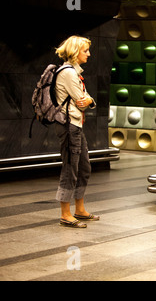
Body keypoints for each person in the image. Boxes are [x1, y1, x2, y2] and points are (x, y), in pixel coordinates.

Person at [54, 35, 99, 228]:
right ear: (75, 52)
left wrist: (89, 100)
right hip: (69, 125)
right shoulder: (68, 73)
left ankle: (79, 209)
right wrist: (88, 100)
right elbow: (82, 99)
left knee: (83, 167)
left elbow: (87, 99)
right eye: (85, 50)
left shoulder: (75, 72)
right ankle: (66, 214)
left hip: (77, 125)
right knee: (70, 167)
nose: (89, 54)